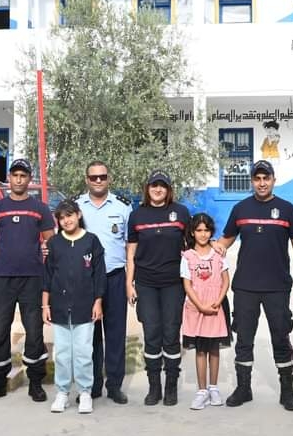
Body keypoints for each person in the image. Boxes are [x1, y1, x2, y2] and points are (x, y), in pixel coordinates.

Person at [215, 160, 293, 411]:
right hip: (245, 286)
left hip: (277, 286)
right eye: (257, 178)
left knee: (281, 336)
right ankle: (243, 388)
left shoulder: (287, 210)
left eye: (266, 178)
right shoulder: (241, 209)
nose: (262, 183)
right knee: (244, 338)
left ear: (274, 180)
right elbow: (226, 240)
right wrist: (208, 246)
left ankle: (287, 391)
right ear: (252, 181)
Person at [0, 159, 56, 404]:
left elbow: (50, 241)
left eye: (23, 175)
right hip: (3, 278)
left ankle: (35, 383)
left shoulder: (40, 208)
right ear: (9, 178)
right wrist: (6, 251)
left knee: (34, 330)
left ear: (29, 179)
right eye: (15, 175)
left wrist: (40, 252)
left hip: (33, 278)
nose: (19, 179)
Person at [126, 170, 191, 406]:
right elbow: (131, 252)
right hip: (146, 284)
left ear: (168, 189)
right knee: (152, 334)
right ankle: (154, 387)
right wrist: (128, 284)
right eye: (154, 185)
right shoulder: (137, 215)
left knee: (171, 333)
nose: (158, 189)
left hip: (174, 283)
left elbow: (191, 247)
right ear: (147, 188)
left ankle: (171, 387)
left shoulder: (181, 212)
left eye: (162, 186)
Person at [42, 199, 107, 414]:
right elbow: (48, 276)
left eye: (70, 215)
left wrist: (98, 301)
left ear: (78, 215)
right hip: (60, 307)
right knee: (62, 353)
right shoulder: (54, 243)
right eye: (62, 217)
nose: (66, 220)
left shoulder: (91, 241)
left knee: (83, 352)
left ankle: (85, 392)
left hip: (85, 307)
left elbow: (99, 275)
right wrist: (45, 305)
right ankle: (62, 393)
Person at [76, 160, 131, 404]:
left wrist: (132, 280)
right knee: (90, 335)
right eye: (93, 177)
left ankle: (115, 385)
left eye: (102, 177)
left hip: (115, 277)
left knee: (116, 333)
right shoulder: (77, 208)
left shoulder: (123, 208)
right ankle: (93, 385)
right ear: (87, 180)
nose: (98, 181)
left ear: (109, 178)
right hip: (86, 281)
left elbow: (131, 246)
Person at [180, 212, 231, 411]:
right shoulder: (187, 256)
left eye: (206, 230)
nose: (203, 234)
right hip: (196, 308)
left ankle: (214, 387)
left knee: (214, 349)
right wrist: (200, 305)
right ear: (192, 232)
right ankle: (201, 391)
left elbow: (226, 280)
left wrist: (218, 301)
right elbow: (187, 284)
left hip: (215, 307)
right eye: (199, 230)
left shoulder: (218, 254)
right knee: (200, 350)